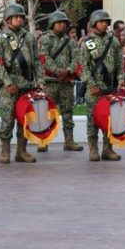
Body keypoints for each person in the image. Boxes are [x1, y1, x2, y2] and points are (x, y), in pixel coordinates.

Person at [0, 3, 44, 164]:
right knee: (7, 119)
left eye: (21, 17)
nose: (20, 19)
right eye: (16, 17)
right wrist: (7, 83)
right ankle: (5, 151)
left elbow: (37, 61)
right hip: (9, 87)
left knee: (25, 120)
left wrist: (40, 81)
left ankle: (22, 151)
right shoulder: (1, 39)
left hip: (27, 85)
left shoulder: (29, 37)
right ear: (8, 19)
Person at [79, 10, 125, 161]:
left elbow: (120, 64)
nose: (104, 24)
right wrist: (91, 85)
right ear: (94, 23)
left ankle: (108, 149)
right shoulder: (87, 43)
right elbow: (83, 67)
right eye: (101, 21)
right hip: (94, 90)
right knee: (92, 120)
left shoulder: (113, 41)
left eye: (106, 21)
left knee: (110, 120)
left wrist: (121, 79)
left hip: (110, 88)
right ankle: (93, 150)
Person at [39, 11, 83, 153]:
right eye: (59, 22)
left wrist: (69, 70)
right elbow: (44, 57)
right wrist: (56, 70)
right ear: (52, 24)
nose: (62, 25)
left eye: (64, 22)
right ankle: (43, 141)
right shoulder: (45, 39)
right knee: (46, 112)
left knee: (67, 113)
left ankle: (69, 141)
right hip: (50, 82)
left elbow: (76, 59)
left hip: (66, 83)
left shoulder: (70, 42)